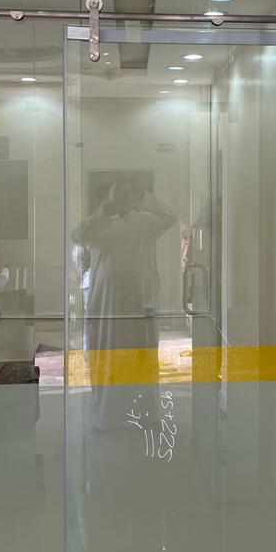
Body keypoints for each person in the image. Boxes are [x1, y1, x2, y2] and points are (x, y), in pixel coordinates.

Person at [71, 176, 177, 429]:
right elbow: (76, 236)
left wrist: (145, 195)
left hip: (140, 300)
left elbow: (170, 217)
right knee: (107, 356)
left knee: (143, 355)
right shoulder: (99, 224)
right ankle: (106, 417)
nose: (122, 200)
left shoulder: (145, 221)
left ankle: (149, 414)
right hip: (107, 303)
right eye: (117, 195)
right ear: (109, 199)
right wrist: (102, 213)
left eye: (127, 195)